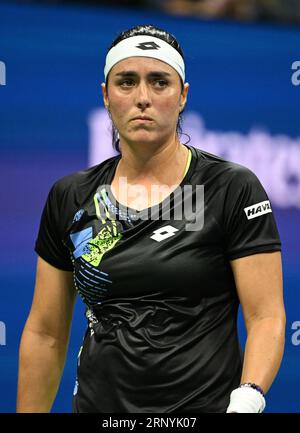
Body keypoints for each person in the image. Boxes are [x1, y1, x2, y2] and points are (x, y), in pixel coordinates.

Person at [17, 24, 286, 413]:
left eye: (159, 82)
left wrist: (249, 394)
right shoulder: (71, 196)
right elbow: (45, 334)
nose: (142, 97)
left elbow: (266, 315)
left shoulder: (232, 188)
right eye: (126, 82)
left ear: (183, 97)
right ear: (106, 96)